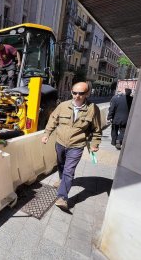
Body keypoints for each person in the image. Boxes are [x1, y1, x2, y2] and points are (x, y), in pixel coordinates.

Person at [41, 82, 102, 210]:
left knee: (69, 171)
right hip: (60, 143)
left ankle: (62, 197)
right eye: (75, 93)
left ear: (87, 94)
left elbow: (97, 129)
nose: (77, 96)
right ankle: (62, 180)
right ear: (71, 92)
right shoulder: (63, 106)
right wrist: (47, 133)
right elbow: (53, 119)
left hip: (77, 145)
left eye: (81, 93)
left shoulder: (92, 109)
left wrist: (95, 144)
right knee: (61, 164)